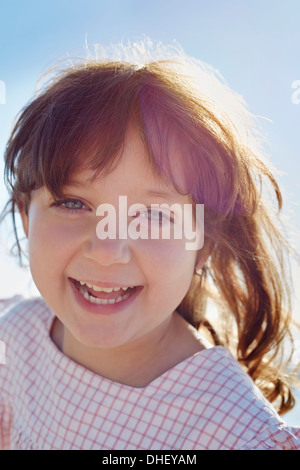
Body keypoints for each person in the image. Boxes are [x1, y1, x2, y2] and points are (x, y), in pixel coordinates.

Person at [0, 39, 299, 450]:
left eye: (154, 216)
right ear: (25, 218)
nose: (107, 249)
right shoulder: (15, 338)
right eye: (73, 203)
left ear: (204, 244)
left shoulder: (234, 435)